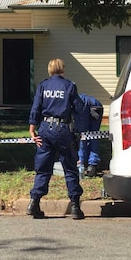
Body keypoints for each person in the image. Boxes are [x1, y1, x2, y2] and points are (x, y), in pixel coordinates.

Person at [27, 58, 86, 220]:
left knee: (43, 168)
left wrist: (32, 129)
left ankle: (34, 202)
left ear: (50, 69)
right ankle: (75, 206)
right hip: (63, 129)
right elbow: (79, 108)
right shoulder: (69, 86)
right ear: (62, 69)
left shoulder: (43, 86)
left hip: (45, 129)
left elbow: (36, 108)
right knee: (70, 167)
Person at [76, 93, 103, 178]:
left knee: (82, 135)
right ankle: (92, 165)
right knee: (94, 135)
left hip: (84, 104)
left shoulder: (70, 99)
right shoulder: (74, 95)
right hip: (97, 105)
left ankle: (81, 163)